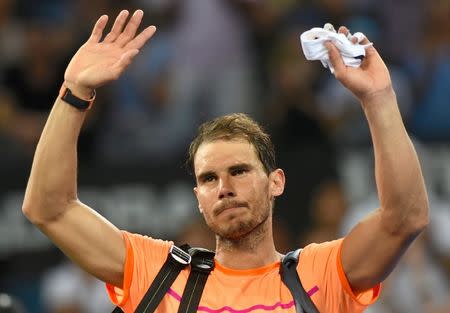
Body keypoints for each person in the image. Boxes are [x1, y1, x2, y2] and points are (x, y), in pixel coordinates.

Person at [22, 9, 429, 313]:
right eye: (209, 178)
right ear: (198, 196)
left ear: (276, 182)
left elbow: (404, 219)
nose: (224, 187)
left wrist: (379, 99)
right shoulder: (160, 275)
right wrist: (74, 92)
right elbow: (49, 209)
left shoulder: (319, 274)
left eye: (239, 170)